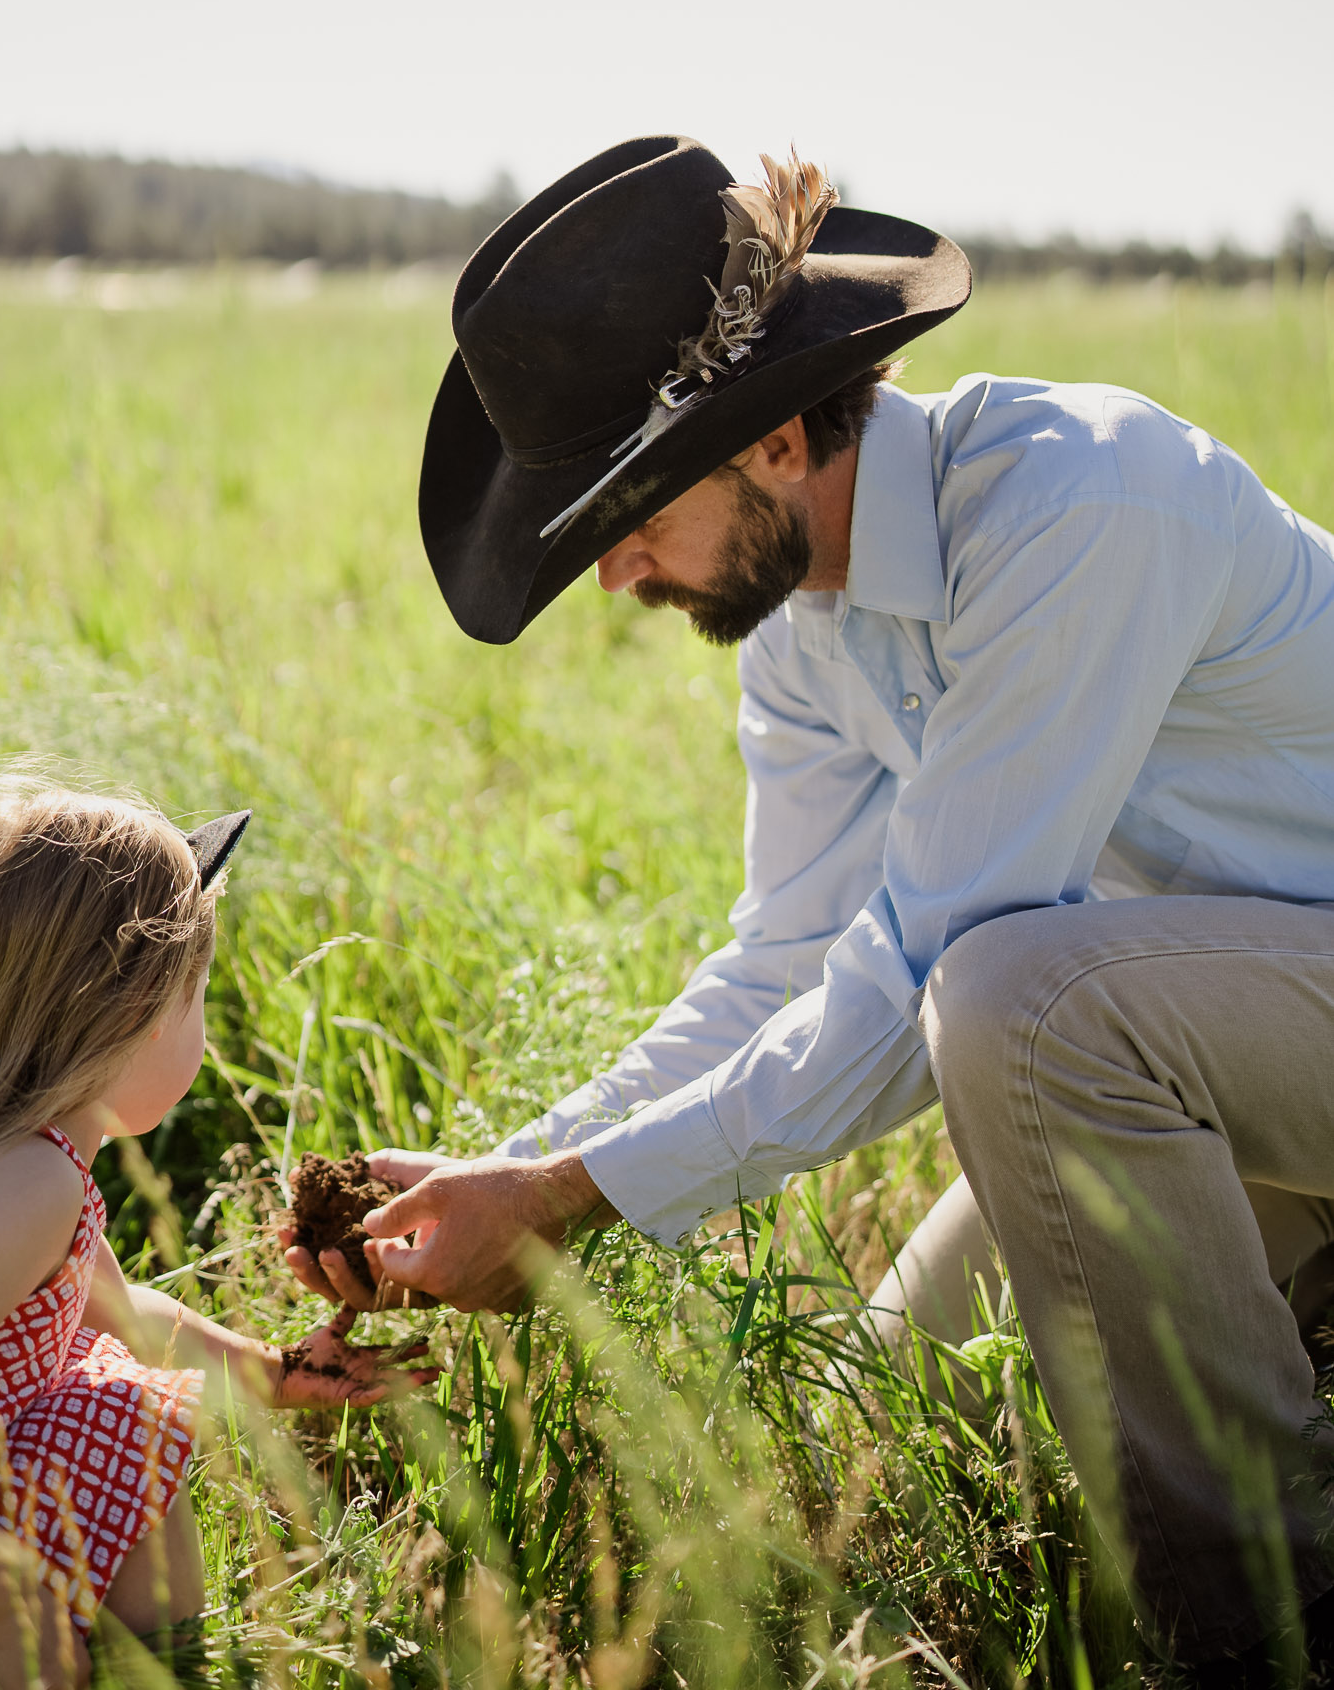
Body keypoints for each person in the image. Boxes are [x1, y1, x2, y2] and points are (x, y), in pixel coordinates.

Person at [283, 136, 1334, 1684]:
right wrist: (515, 1171)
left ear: (775, 442)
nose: (611, 577)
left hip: (1237, 1030)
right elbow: (782, 959)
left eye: (627, 511)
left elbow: (922, 976)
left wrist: (574, 1204)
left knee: (1005, 1003)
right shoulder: (794, 620)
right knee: (874, 1414)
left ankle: (1263, 1616)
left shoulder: (1078, 506)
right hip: (1221, 1053)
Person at [0, 788, 427, 1690]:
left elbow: (113, 1307)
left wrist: (271, 1371)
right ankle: (161, 1664)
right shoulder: (30, 1180)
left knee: (104, 1384)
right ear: (135, 1015)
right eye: (197, 996)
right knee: (131, 1416)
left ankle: (153, 1661)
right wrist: (1, 1609)